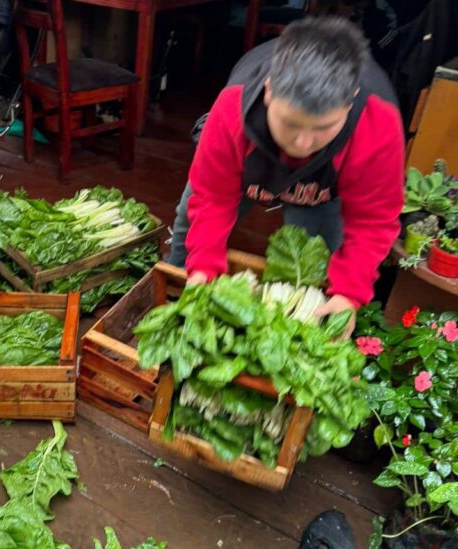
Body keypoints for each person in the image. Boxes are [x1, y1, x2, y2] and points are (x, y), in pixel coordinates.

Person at [167, 16, 404, 337]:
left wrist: (350, 293)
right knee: (188, 228)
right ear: (268, 92)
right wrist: (202, 268)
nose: (303, 143)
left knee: (311, 262)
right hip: (242, 170)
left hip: (322, 190)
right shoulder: (232, 107)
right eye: (290, 124)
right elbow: (212, 197)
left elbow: (372, 220)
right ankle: (173, 286)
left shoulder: (378, 122)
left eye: (323, 128)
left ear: (349, 103)